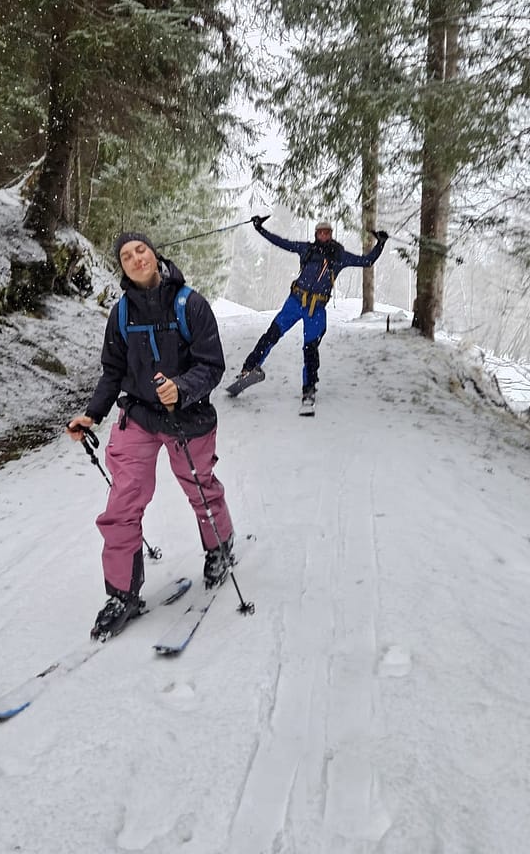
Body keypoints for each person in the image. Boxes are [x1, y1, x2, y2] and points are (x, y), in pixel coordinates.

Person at [67, 232, 236, 641]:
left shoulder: (190, 304)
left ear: (154, 254)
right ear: (121, 267)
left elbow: (212, 365)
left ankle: (220, 549)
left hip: (188, 417)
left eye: (140, 249)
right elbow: (112, 371)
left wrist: (182, 388)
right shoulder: (122, 314)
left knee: (201, 488)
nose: (135, 257)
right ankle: (122, 594)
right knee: (122, 503)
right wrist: (92, 415)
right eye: (126, 255)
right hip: (140, 416)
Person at [229, 217, 388, 406]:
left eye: (327, 232)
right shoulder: (306, 249)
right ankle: (249, 369)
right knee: (271, 335)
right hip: (295, 301)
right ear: (316, 234)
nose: (324, 235)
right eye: (321, 232)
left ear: (330, 234)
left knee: (310, 350)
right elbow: (281, 242)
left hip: (316, 309)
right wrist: (259, 228)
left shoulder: (339, 256)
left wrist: (381, 243)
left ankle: (309, 388)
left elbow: (367, 261)